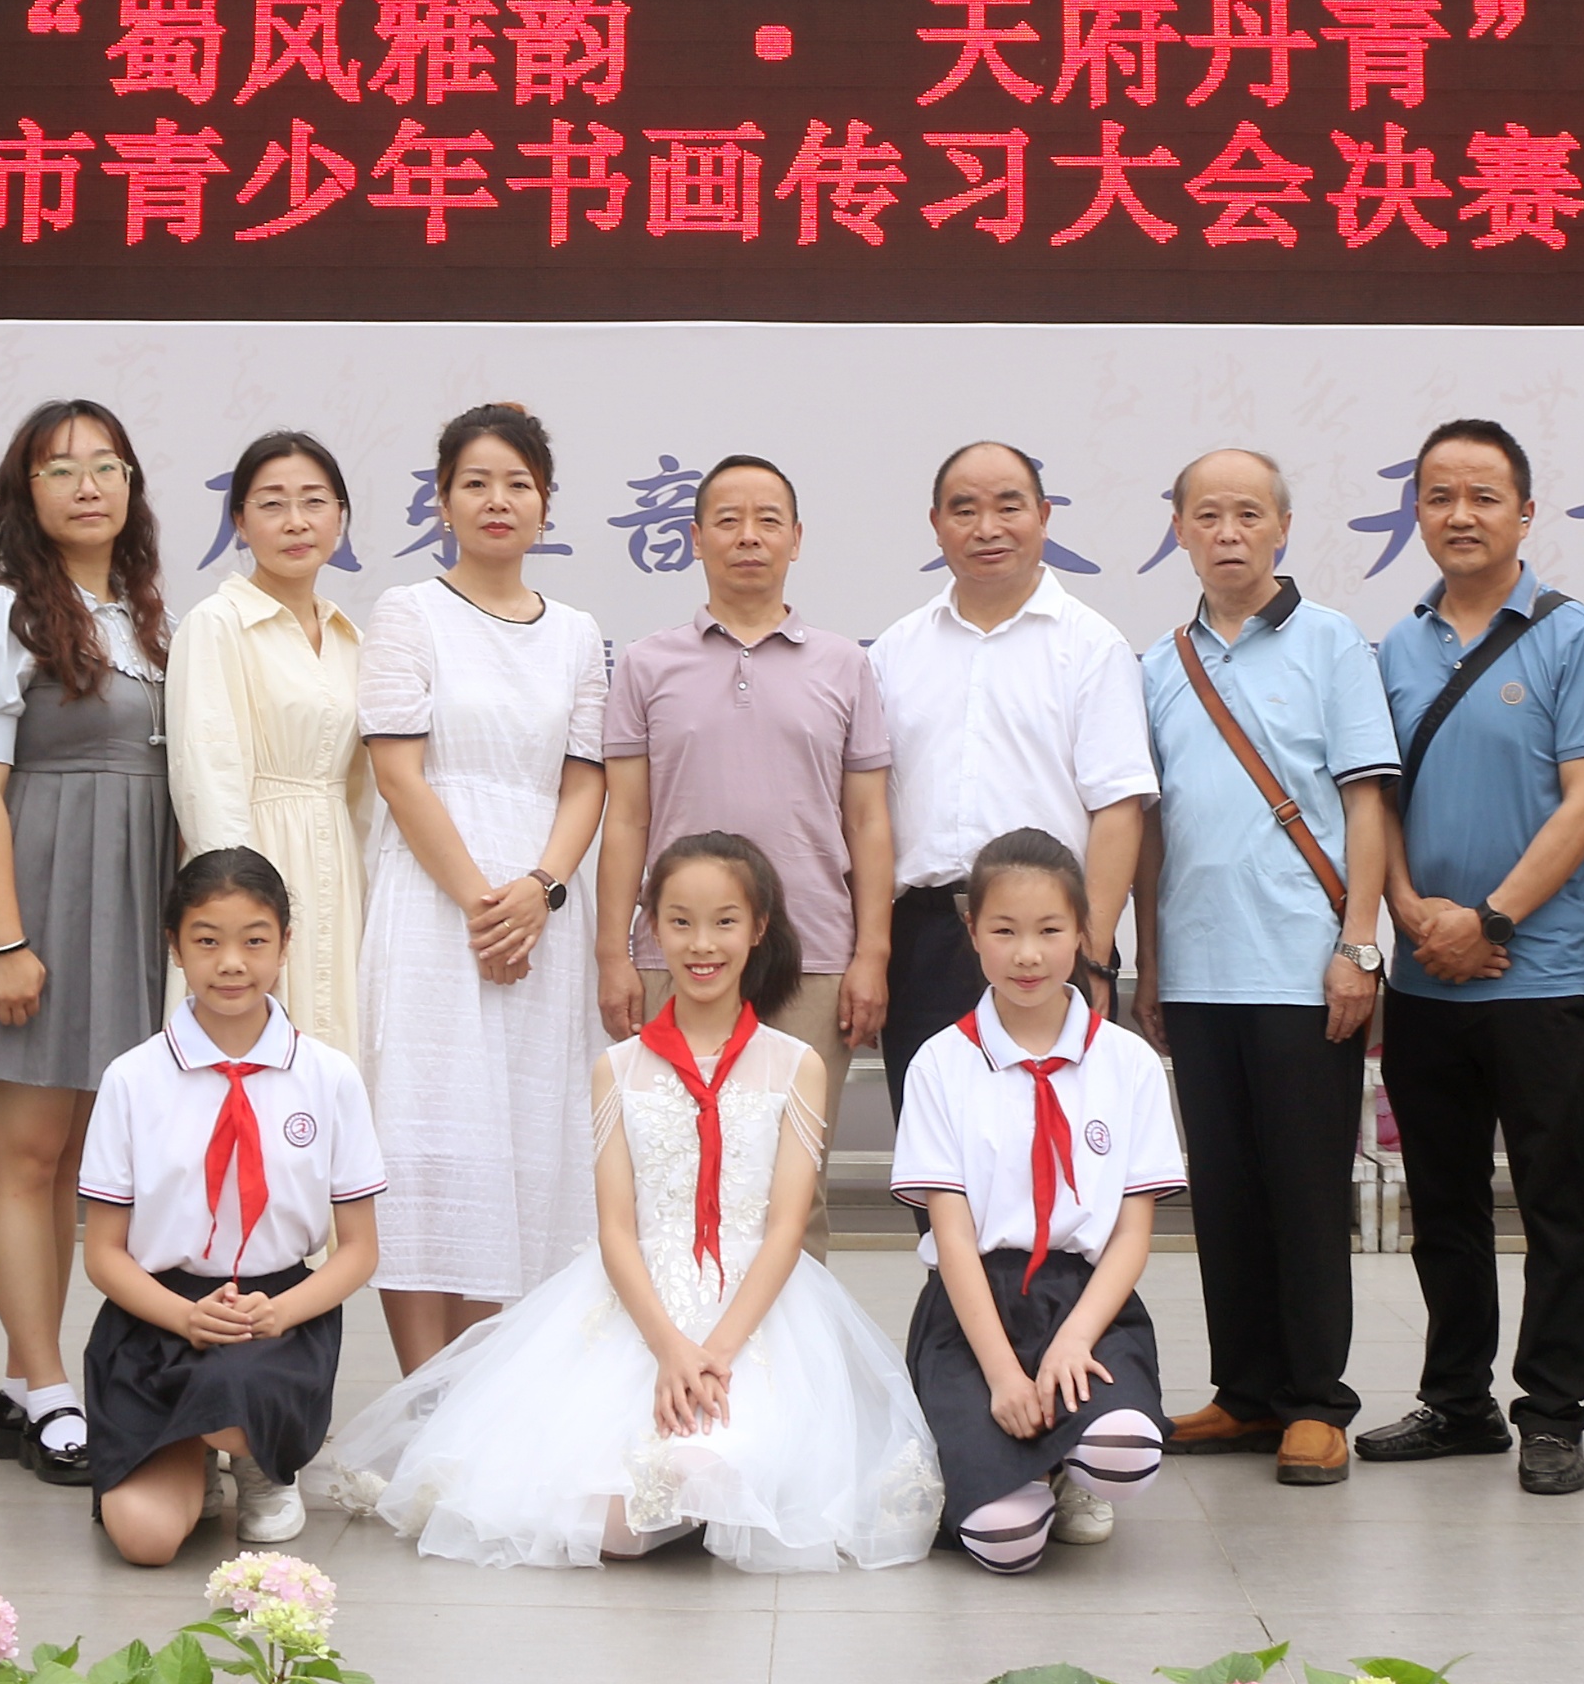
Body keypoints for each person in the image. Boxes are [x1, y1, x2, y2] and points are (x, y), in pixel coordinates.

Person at [314, 833, 940, 1571]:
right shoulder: (619, 1068)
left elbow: (786, 1225)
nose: (701, 944)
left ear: (760, 927)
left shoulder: (794, 1063)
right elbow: (615, 1229)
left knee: (737, 1475)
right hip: (641, 1309)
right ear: (651, 928)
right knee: (606, 1524)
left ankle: (709, 1480)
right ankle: (677, 1493)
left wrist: (716, 1354)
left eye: (724, 922)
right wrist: (671, 1350)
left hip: (758, 1312)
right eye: (679, 922)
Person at [1364, 419, 1584, 1499]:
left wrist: (1493, 918)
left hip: (1537, 968)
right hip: (1423, 966)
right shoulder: (1394, 644)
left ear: (1525, 511)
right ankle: (1456, 1399)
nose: (1459, 513)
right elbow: (1370, 798)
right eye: (1437, 495)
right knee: (1442, 1197)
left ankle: (1552, 1412)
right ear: (1415, 512)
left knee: (1555, 1199)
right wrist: (1407, 909)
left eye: (1482, 494)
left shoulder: (1573, 636)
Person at [1130, 447, 1398, 1489]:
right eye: (1207, 513)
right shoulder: (1158, 663)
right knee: (1226, 1189)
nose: (1228, 531)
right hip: (1196, 966)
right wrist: (1149, 959)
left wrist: (1357, 942)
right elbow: (1149, 827)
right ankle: (1243, 1390)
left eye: (1248, 513)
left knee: (1300, 1187)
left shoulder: (1331, 644)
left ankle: (1314, 1400)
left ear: (1282, 526)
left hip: (1302, 962)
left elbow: (1365, 801)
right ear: (1180, 528)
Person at [0, 398, 181, 1491]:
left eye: (108, 464)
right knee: (24, 1159)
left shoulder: (151, 616)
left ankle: (15, 1381)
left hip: (127, 898)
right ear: (22, 494)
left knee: (79, 1163)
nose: (88, 483)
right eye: (60, 467)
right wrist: (4, 938)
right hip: (34, 892)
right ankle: (45, 1382)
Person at [356, 403, 611, 1374]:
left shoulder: (579, 632)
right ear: (441, 500)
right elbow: (397, 772)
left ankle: (493, 1389)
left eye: (516, 482)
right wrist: (478, 898)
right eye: (475, 481)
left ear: (545, 502)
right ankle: (422, 1395)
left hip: (543, 908)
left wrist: (538, 887)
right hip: (433, 909)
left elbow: (587, 776)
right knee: (427, 1134)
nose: (496, 499)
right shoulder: (406, 612)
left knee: (528, 1142)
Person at [593, 453, 894, 1250]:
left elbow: (868, 821)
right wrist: (615, 953)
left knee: (796, 1189)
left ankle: (790, 1373)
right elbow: (624, 819)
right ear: (694, 538)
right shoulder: (648, 664)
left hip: (814, 957)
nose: (748, 537)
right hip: (675, 951)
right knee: (671, 1178)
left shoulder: (845, 665)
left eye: (768, 521)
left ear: (797, 539)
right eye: (727, 520)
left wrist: (873, 953)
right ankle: (677, 1363)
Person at [78, 846, 386, 1563]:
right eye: (207, 941)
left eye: (255, 940)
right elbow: (102, 1255)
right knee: (145, 1542)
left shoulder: (329, 1077)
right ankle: (192, 1450)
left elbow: (360, 1251)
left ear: (284, 944)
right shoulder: (133, 1079)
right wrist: (185, 1316)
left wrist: (280, 1312)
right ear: (175, 946)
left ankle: (258, 1462)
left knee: (240, 1388)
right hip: (157, 1315)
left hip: (276, 1319)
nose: (232, 963)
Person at [893, 828, 1182, 1573]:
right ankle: (999, 1461)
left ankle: (1070, 1464)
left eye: (1051, 930)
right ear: (972, 933)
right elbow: (952, 1239)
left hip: (1085, 1297)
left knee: (1126, 1458)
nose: (1028, 954)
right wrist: (1002, 1374)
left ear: (1084, 931)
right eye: (1005, 931)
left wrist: (1076, 1339)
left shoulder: (1129, 1063)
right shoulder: (940, 1063)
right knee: (1005, 1543)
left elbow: (1130, 1235)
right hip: (973, 1308)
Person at [868, 442, 1154, 1110]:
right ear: (936, 524)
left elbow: (1117, 808)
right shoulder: (895, 651)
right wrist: (873, 949)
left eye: (1008, 506)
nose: (986, 527)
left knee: (1054, 1155)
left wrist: (1093, 949)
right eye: (964, 509)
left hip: (1050, 938)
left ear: (1044, 515)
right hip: (926, 937)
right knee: (936, 1156)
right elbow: (869, 810)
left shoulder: (1091, 645)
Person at [165, 432, 376, 1051]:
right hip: (253, 852)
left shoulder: (349, 638)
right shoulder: (216, 624)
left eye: (314, 502)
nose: (295, 523)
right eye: (272, 504)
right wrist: (237, 916)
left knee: (333, 1052)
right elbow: (208, 778)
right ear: (239, 522)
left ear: (340, 519)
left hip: (335, 863)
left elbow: (361, 793)